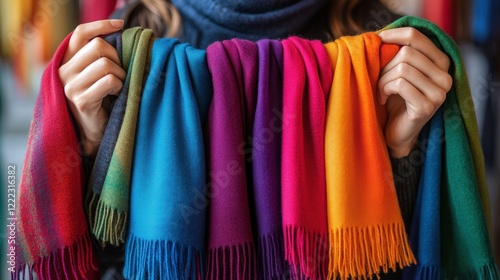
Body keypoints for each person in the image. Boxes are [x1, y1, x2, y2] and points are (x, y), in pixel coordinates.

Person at [58, 0, 452, 278]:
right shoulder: (122, 44)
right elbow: (101, 262)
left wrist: (400, 151)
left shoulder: (389, 44)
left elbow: (404, 260)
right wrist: (90, 144)